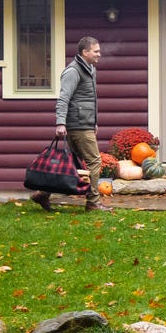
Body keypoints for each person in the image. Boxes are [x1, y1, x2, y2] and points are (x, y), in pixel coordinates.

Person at [47, 35, 103, 211]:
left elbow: (88, 99)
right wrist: (60, 123)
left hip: (83, 123)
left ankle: (41, 194)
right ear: (85, 52)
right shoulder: (73, 71)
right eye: (96, 51)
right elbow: (64, 98)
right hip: (77, 125)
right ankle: (93, 202)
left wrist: (93, 122)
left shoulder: (89, 69)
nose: (99, 54)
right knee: (95, 162)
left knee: (68, 163)